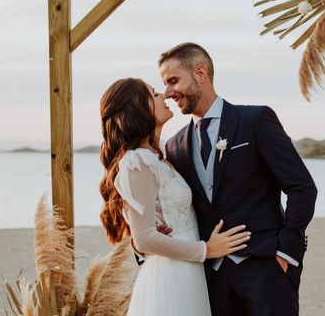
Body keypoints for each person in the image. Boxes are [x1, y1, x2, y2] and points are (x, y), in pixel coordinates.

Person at [160, 42, 318, 316]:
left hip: (267, 268)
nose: (168, 92)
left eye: (173, 80)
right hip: (212, 280)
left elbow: (302, 187)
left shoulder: (254, 120)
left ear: (200, 73)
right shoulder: (175, 146)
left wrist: (286, 253)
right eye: (164, 84)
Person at [98, 77, 251, 315]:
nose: (164, 96)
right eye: (154, 93)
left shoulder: (159, 157)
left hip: (187, 270)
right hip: (170, 275)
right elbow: (145, 238)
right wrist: (206, 250)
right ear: (138, 108)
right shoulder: (137, 161)